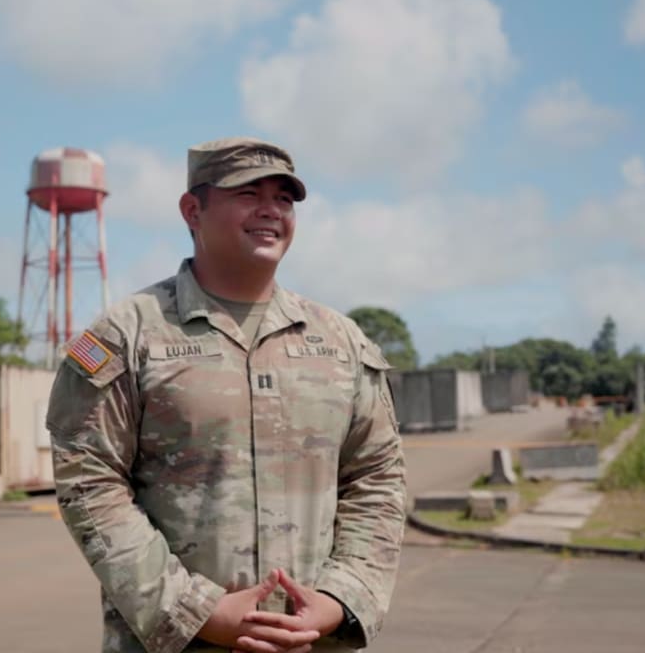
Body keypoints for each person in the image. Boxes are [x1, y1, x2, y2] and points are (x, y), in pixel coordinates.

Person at [47, 137, 407, 653]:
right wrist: (196, 611)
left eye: (284, 198)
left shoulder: (341, 343)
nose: (270, 210)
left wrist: (340, 596)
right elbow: (89, 484)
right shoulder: (126, 337)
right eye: (247, 192)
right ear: (193, 209)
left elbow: (376, 477)